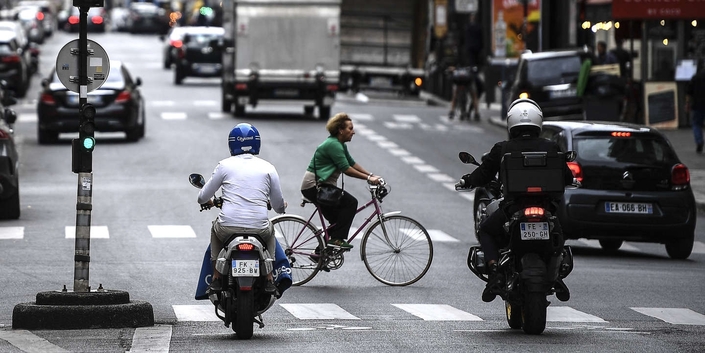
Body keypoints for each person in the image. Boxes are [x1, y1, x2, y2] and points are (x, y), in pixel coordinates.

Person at [460, 98, 574, 302]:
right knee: (559, 231)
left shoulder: (502, 148)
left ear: (511, 123)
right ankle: (556, 276)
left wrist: (467, 180)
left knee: (486, 230)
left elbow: (484, 174)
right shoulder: (551, 147)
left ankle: (494, 272)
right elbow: (567, 177)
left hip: (513, 208)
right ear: (538, 122)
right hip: (546, 208)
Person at [197, 123, 287, 293]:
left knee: (215, 230)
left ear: (232, 143)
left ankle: (216, 276)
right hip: (259, 227)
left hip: (227, 227)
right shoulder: (268, 168)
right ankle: (269, 277)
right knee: (271, 230)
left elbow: (202, 197)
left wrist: (208, 201)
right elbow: (278, 205)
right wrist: (282, 207)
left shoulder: (224, 165)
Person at [300, 112, 383, 249]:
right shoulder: (333, 145)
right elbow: (346, 169)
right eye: (350, 128)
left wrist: (371, 175)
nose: (353, 132)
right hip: (314, 186)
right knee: (351, 203)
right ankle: (337, 240)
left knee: (337, 220)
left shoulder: (340, 144)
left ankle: (321, 253)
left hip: (321, 185)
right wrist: (369, 178)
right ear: (340, 130)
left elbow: (351, 163)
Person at [448, 12, 483, 122]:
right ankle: (473, 112)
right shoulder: (467, 47)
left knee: (471, 91)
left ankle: (454, 111)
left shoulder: (464, 48)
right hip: (466, 72)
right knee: (470, 92)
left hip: (466, 72)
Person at [685, 60, 705, 154]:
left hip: (698, 105)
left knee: (697, 124)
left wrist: (687, 104)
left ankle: (699, 141)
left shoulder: (695, 77)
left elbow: (689, 93)